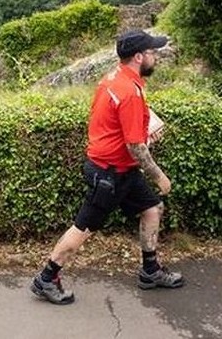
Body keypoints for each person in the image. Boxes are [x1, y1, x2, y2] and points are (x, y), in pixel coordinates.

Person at [31, 29, 184, 305]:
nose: (155, 57)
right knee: (83, 229)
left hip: (120, 169)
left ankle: (150, 271)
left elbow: (114, 125)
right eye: (152, 53)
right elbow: (135, 147)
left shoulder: (114, 78)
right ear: (138, 57)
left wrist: (144, 128)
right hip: (109, 174)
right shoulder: (129, 92)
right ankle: (46, 278)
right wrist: (160, 177)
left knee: (151, 208)